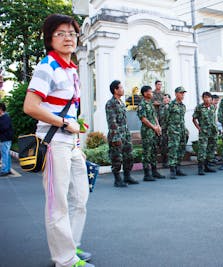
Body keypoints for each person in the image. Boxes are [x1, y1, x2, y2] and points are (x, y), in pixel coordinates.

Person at [23, 14, 94, 267]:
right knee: (58, 203)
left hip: (72, 143)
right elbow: (30, 106)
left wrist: (77, 125)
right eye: (61, 33)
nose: (68, 38)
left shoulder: (71, 69)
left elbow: (66, 108)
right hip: (54, 143)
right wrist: (65, 123)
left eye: (72, 33)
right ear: (50, 38)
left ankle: (71, 246)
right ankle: (64, 260)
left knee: (80, 198)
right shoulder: (47, 66)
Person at [106, 80, 139, 187]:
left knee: (128, 156)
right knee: (117, 157)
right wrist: (115, 137)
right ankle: (117, 179)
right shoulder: (111, 103)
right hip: (116, 135)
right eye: (121, 87)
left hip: (125, 134)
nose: (122, 89)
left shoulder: (121, 102)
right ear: (115, 90)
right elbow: (112, 121)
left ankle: (127, 176)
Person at [137, 85, 165, 181]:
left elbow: (154, 116)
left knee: (154, 151)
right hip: (147, 131)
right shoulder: (142, 104)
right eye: (150, 92)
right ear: (145, 93)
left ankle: (154, 171)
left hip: (154, 131)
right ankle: (147, 174)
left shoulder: (150, 104)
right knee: (147, 152)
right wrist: (153, 127)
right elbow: (143, 118)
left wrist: (158, 126)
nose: (152, 93)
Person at [192, 92, 218, 175]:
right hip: (204, 132)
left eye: (209, 97)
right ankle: (200, 168)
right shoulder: (199, 107)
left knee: (210, 149)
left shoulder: (213, 107)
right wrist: (199, 128)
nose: (207, 99)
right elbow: (194, 119)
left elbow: (214, 118)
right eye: (206, 97)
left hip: (212, 132)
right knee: (202, 149)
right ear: (203, 98)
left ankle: (207, 166)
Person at [167, 86, 187, 179]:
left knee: (181, 149)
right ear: (176, 94)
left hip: (182, 130)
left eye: (183, 93)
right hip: (173, 131)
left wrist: (185, 129)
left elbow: (182, 119)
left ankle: (178, 167)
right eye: (181, 93)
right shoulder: (171, 105)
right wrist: (168, 130)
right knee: (173, 150)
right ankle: (172, 170)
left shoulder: (183, 106)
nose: (182, 95)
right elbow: (166, 119)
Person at [0, 102, 13, 176]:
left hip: (5, 138)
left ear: (1, 109)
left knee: (5, 154)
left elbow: (4, 127)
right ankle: (7, 169)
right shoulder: (4, 117)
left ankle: (4, 170)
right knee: (6, 154)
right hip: (6, 138)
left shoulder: (5, 117)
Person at [159, 93, 171, 168]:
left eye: (166, 98)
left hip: (171, 129)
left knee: (171, 145)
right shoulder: (161, 107)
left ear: (169, 99)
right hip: (163, 129)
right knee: (163, 145)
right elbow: (159, 117)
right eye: (164, 98)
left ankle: (171, 161)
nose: (165, 99)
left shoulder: (172, 106)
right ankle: (165, 161)